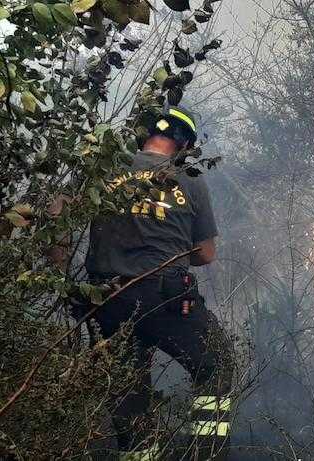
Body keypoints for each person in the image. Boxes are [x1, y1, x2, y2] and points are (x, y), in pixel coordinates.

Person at [74, 106, 236, 460]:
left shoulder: (105, 169)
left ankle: (140, 454)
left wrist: (66, 283)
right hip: (165, 297)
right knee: (218, 365)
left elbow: (58, 223)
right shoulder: (189, 178)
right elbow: (206, 253)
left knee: (129, 391)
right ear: (184, 144)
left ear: (144, 135)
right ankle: (206, 454)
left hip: (106, 301)